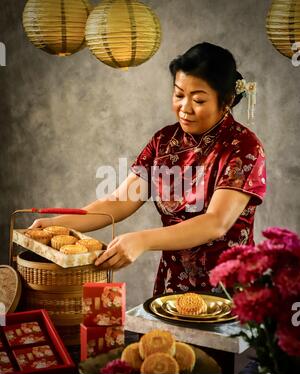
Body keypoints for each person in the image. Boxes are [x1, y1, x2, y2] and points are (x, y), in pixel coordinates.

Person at [30, 42, 266, 296]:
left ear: (227, 100)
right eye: (178, 95)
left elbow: (215, 222)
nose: (184, 108)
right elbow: (119, 201)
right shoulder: (164, 141)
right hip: (173, 287)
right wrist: (57, 225)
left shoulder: (243, 146)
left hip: (231, 289)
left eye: (198, 99)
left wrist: (142, 240)